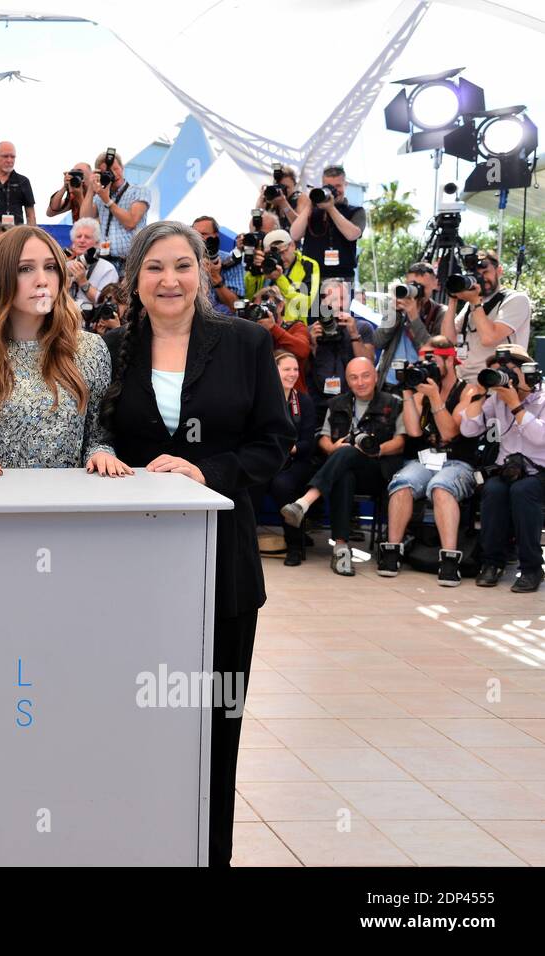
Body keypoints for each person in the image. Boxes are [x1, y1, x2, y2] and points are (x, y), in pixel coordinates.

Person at [97, 220, 295, 866]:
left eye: (182, 265)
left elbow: (273, 442)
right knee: (137, 725)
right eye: (154, 268)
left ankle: (210, 856)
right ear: (134, 280)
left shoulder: (245, 344)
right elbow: (97, 440)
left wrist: (207, 473)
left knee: (215, 727)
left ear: (204, 273)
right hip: (134, 571)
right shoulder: (113, 347)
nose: (169, 280)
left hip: (223, 567)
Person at [0, 225, 124, 478]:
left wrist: (101, 454)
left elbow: (98, 439)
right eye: (25, 269)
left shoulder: (90, 349)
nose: (42, 280)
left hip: (69, 508)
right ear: (1, 277)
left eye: (51, 267)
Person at [280, 357, 405, 575]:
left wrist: (376, 449)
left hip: (377, 470)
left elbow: (401, 442)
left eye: (366, 376)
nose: (360, 382)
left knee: (346, 456)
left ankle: (305, 502)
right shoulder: (337, 404)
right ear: (347, 380)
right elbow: (323, 439)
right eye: (354, 378)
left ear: (375, 376)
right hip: (343, 470)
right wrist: (331, 448)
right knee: (344, 472)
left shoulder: (393, 403)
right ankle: (341, 547)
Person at [376, 337, 476, 585]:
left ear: (450, 360)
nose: (426, 366)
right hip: (424, 460)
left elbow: (450, 433)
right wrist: (409, 394)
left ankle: (450, 559)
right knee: (402, 483)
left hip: (457, 463)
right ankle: (392, 550)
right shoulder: (422, 388)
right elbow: (413, 431)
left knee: (441, 487)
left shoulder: (469, 391)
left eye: (432, 360)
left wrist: (436, 398)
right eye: (423, 361)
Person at [458, 343, 545, 593]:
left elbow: (540, 438)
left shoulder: (542, 397)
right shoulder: (496, 398)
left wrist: (516, 405)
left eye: (505, 371)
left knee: (522, 491)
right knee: (494, 491)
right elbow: (469, 430)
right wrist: (480, 394)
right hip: (506, 471)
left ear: (524, 370)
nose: (500, 377)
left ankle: (531, 568)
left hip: (539, 473)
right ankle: (491, 563)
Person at [249, 350, 317, 565]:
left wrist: (289, 448)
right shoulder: (262, 399)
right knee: (251, 483)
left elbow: (309, 443)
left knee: (282, 486)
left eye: (296, 369)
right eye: (287, 369)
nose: (292, 373)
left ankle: (294, 546)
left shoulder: (303, 401)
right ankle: (245, 545)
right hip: (266, 460)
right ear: (274, 371)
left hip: (295, 463)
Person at [441, 249, 533, 381]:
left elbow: (489, 338)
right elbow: (448, 340)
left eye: (485, 272)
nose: (481, 279)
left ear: (499, 271)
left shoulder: (516, 299)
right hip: (466, 381)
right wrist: (453, 299)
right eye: (476, 275)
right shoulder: (471, 305)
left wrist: (474, 301)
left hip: (498, 382)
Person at [290, 164, 365, 293]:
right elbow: (295, 234)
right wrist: (309, 205)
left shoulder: (356, 211)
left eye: (338, 186)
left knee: (339, 314)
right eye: (329, 187)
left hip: (342, 280)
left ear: (345, 185)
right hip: (311, 278)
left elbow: (352, 234)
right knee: (311, 313)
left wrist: (331, 208)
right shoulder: (312, 212)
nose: (334, 191)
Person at [78, 148, 150, 273]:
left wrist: (108, 201)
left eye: (116, 169)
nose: (114, 174)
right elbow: (84, 219)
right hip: (103, 260)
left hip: (129, 261)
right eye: (108, 172)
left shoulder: (138, 191)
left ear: (122, 168)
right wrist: (91, 188)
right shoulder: (100, 195)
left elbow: (131, 222)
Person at [308, 277, 374, 409]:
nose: (338, 304)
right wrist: (312, 345)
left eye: (342, 299)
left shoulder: (361, 327)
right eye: (333, 299)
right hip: (319, 401)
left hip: (353, 401)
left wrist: (354, 335)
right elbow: (304, 371)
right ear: (323, 302)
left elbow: (369, 363)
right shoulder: (312, 330)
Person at [376, 261, 445, 384]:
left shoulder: (440, 312)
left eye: (422, 287)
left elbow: (432, 352)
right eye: (412, 285)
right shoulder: (397, 307)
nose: (417, 290)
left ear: (435, 284)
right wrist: (394, 313)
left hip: (419, 385)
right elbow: (378, 342)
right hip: (388, 383)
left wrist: (413, 316)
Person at [245, 229, 320, 323]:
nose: (280, 258)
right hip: (263, 324)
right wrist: (253, 273)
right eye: (274, 254)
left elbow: (305, 304)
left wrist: (280, 279)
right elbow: (249, 298)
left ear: (292, 245)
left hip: (293, 328)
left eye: (282, 252)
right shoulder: (265, 265)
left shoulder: (309, 265)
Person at [64, 217, 120, 314]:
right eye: (78, 236)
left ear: (97, 243)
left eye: (87, 237)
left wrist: (83, 282)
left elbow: (106, 303)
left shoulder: (107, 268)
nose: (82, 240)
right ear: (73, 242)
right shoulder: (65, 265)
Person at [191, 215, 243, 315]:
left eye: (203, 234)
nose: (198, 238)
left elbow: (235, 305)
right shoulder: (185, 261)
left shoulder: (230, 260)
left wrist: (215, 277)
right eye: (194, 234)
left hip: (224, 323)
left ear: (216, 235)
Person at [254, 163, 307, 231]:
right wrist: (259, 209)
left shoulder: (300, 197)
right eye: (280, 187)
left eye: (286, 187)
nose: (282, 191)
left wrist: (283, 203)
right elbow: (254, 229)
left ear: (295, 185)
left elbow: (300, 227)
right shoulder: (270, 198)